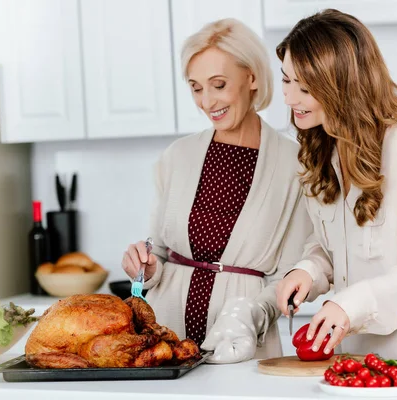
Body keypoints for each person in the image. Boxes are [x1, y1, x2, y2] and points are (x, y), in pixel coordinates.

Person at [274, 9, 397, 359]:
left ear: (341, 85)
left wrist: (353, 304)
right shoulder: (320, 147)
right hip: (355, 360)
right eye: (286, 80)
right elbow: (332, 245)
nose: (288, 98)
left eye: (304, 87)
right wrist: (308, 271)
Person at [121, 18, 312, 363]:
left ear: (252, 77)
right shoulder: (177, 156)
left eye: (219, 85)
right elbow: (159, 251)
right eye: (196, 88)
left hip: (243, 343)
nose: (207, 101)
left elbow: (290, 275)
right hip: (167, 340)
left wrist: (248, 315)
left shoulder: (295, 165)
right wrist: (146, 267)